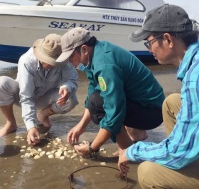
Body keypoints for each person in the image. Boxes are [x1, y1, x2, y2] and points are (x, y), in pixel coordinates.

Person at [118, 4, 199, 188]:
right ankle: (184, 167)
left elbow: (177, 152)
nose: (148, 50)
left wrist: (131, 151)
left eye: (149, 42)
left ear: (168, 39)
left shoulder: (195, 77)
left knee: (148, 172)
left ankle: (179, 169)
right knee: (171, 103)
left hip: (179, 151)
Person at [56, 27, 165, 156]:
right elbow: (93, 89)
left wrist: (92, 148)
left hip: (153, 112)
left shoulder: (104, 64)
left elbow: (114, 110)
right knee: (95, 99)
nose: (69, 61)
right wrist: (81, 126)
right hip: (145, 104)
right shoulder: (98, 52)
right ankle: (137, 134)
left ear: (84, 49)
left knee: (97, 104)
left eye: (70, 56)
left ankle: (127, 150)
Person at [0, 33, 78, 145]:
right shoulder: (27, 60)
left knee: (71, 99)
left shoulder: (65, 60)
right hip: (22, 96)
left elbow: (72, 80)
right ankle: (11, 123)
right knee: (1, 83)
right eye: (45, 60)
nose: (47, 64)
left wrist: (66, 87)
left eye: (52, 62)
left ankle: (43, 115)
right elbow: (26, 96)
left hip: (46, 97)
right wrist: (30, 127)